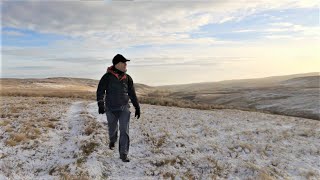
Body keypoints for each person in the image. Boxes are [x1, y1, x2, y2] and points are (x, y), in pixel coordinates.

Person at [96, 54, 140, 162]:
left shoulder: (128, 78)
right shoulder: (107, 77)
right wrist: (101, 104)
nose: (126, 64)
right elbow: (100, 91)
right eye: (124, 62)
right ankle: (112, 139)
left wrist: (137, 106)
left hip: (124, 108)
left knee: (124, 130)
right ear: (117, 64)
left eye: (126, 63)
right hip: (110, 108)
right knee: (112, 128)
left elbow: (132, 94)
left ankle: (123, 154)